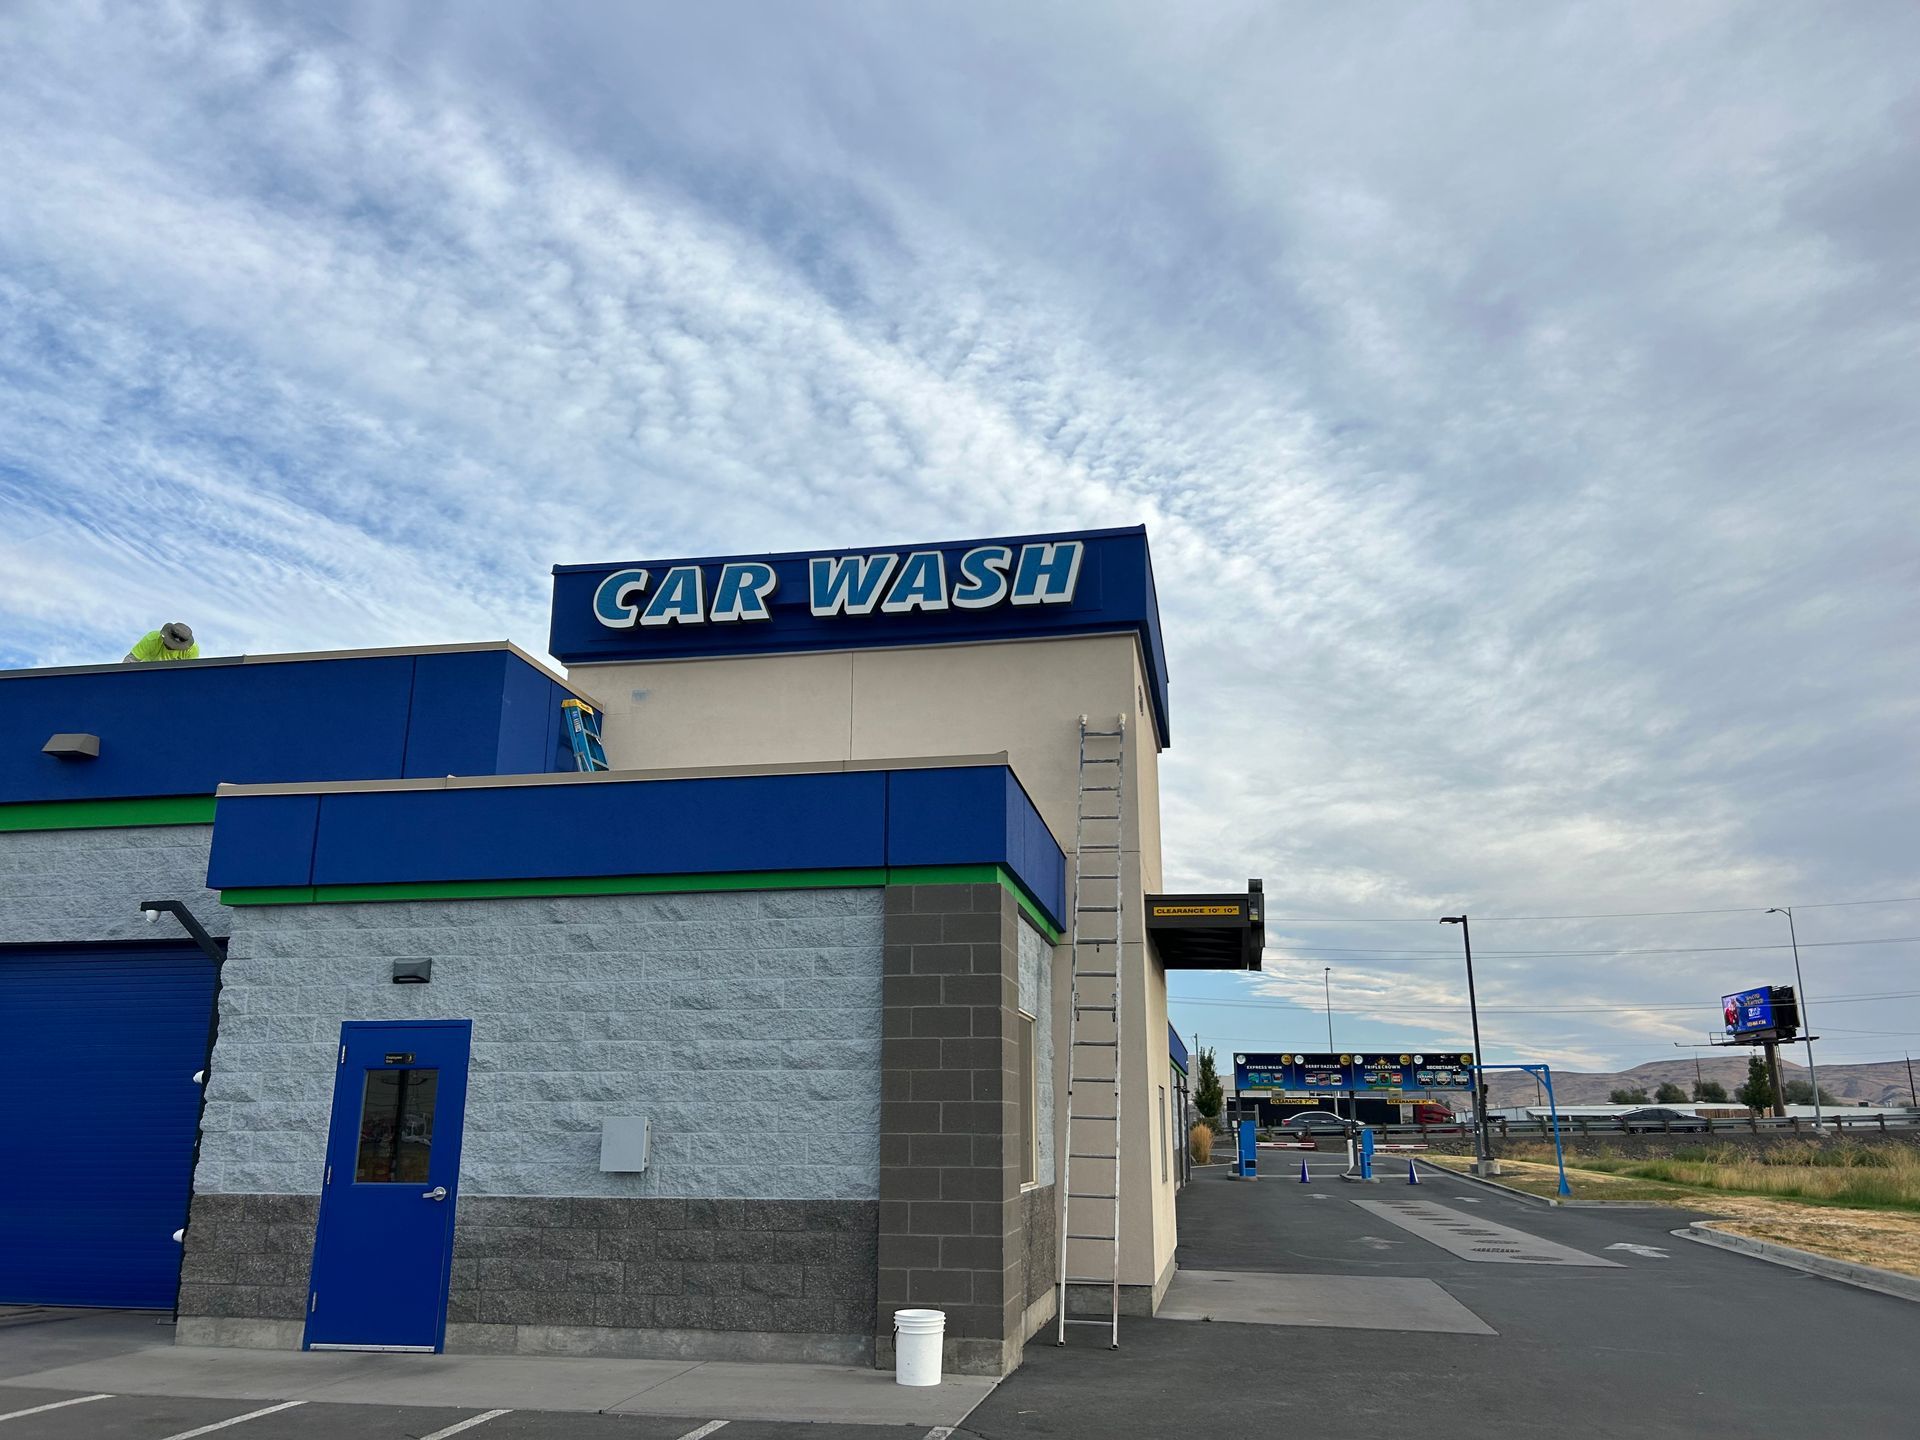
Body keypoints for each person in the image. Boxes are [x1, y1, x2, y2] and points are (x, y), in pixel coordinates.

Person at [124, 622, 200, 662]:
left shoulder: (192, 650)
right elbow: (131, 660)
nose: (170, 646)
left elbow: (189, 674)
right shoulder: (152, 639)